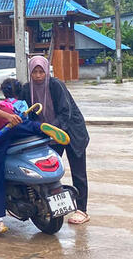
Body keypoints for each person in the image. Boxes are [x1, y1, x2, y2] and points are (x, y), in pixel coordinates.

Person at [0, 49, 66, 236]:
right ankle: (40, 128)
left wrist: (6, 116)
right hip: (1, 128)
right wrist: (8, 116)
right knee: (25, 126)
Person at [30, 55, 91, 225]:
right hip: (48, 135)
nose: (38, 76)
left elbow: (66, 112)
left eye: (41, 71)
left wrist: (51, 129)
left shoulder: (55, 85)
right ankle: (52, 206)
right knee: (48, 172)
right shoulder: (29, 89)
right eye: (34, 72)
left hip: (71, 133)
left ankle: (82, 210)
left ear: (46, 71)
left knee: (78, 173)